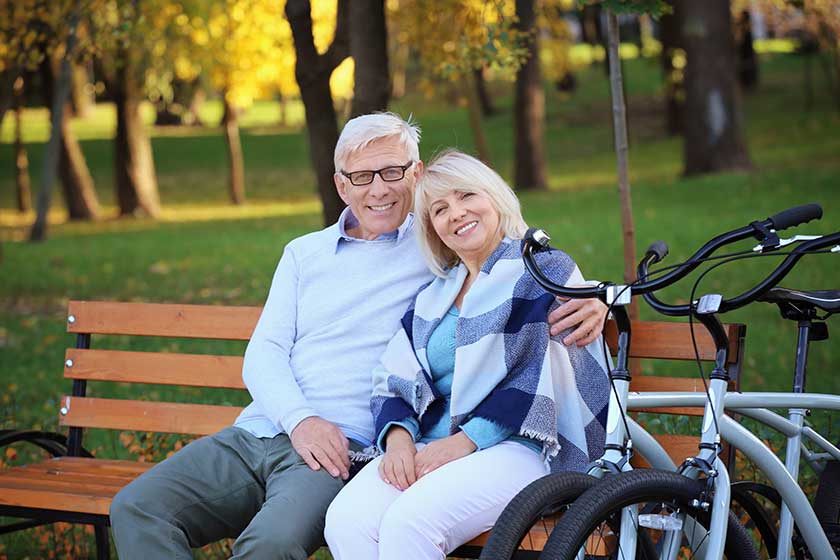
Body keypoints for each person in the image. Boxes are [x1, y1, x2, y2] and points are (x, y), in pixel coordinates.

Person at [109, 113, 607, 559]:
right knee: (136, 507)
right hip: (263, 428)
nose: (379, 190)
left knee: (274, 544)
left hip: (345, 447)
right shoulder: (310, 254)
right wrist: (301, 419)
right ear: (341, 185)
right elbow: (266, 352)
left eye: (393, 172)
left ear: (414, 175)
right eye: (362, 177)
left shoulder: (433, 249)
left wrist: (598, 301)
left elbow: (543, 281)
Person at [324, 150, 611, 559]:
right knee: (347, 521)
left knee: (410, 524)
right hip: (430, 445)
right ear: (433, 229)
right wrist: (400, 441)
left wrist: (464, 443)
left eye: (466, 196)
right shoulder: (435, 295)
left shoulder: (542, 270)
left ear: (493, 197)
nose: (455, 213)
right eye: (440, 209)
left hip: (522, 448)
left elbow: (538, 373)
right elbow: (394, 373)